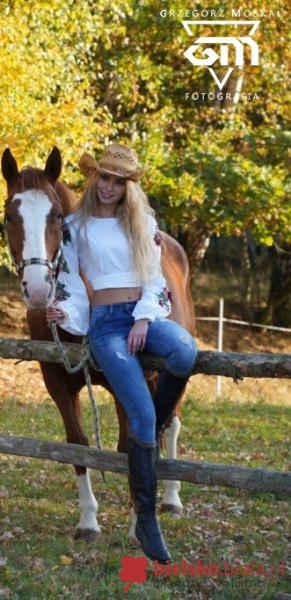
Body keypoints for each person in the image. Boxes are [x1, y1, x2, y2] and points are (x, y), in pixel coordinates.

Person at [46, 143, 197, 565]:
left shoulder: (141, 220)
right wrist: (68, 310)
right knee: (143, 417)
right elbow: (73, 283)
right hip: (107, 325)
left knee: (185, 351)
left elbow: (153, 276)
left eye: (118, 181)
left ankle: (155, 421)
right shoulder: (76, 225)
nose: (109, 187)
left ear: (128, 186)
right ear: (94, 179)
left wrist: (146, 319)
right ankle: (147, 519)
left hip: (140, 316)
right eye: (104, 178)